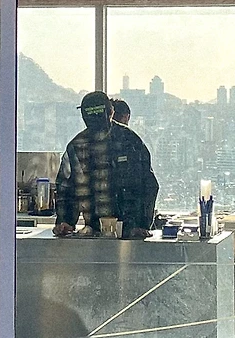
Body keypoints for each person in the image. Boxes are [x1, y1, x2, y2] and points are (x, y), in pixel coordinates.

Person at [54, 91, 158, 239]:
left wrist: (142, 224)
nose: (95, 118)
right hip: (99, 233)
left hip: (127, 231)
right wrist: (65, 222)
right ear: (111, 111)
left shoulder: (129, 141)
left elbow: (149, 185)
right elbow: (65, 189)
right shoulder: (129, 140)